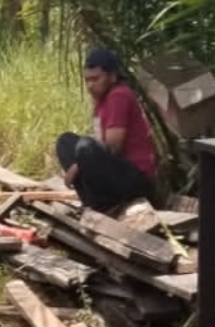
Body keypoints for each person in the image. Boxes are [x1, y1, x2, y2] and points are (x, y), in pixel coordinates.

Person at [55, 47, 158, 214]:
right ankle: (94, 202)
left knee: (85, 147)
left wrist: (76, 166)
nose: (90, 86)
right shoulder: (102, 101)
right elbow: (99, 141)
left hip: (136, 179)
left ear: (112, 76)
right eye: (87, 80)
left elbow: (113, 147)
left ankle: (104, 204)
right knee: (65, 141)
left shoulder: (119, 95)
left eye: (96, 79)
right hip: (117, 174)